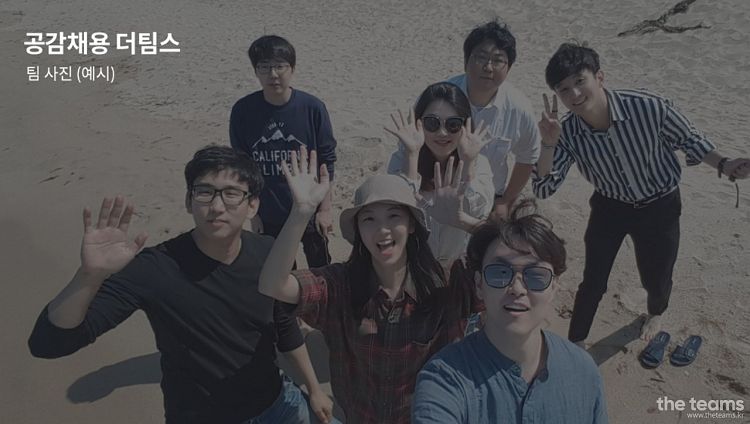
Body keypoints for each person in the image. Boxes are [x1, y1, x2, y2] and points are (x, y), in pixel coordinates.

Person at [28, 146, 334, 424]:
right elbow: (48, 343)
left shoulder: (269, 253)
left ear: (252, 205)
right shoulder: (154, 268)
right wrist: (89, 276)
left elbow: (284, 326)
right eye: (205, 192)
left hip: (276, 403)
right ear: (189, 201)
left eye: (231, 194)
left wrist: (314, 388)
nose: (217, 206)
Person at [533, 42, 750, 346]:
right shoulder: (565, 131)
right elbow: (543, 187)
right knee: (593, 281)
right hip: (610, 206)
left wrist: (725, 164)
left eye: (580, 81)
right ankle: (576, 343)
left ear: (599, 77)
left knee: (656, 275)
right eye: (564, 89)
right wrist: (548, 143)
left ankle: (656, 312)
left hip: (660, 205)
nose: (575, 94)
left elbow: (691, 140)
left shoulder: (647, 106)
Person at [258, 148, 481, 424]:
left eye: (394, 216)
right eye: (369, 219)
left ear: (412, 225)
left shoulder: (445, 285)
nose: (382, 229)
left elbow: (523, 257)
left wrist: (463, 222)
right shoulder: (339, 285)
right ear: (358, 231)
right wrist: (301, 213)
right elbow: (273, 285)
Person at [412, 200, 608, 424]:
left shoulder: (583, 370)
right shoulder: (444, 379)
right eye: (499, 272)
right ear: (479, 284)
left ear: (554, 288)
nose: (517, 288)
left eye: (536, 276)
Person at [230, 34, 336, 267]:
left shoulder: (312, 108)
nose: (273, 74)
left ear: (292, 68)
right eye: (264, 67)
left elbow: (326, 161)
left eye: (280, 66)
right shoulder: (243, 111)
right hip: (268, 212)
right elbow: (242, 168)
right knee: (281, 271)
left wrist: (325, 209)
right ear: (255, 71)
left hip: (309, 207)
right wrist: (253, 213)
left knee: (321, 269)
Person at [386, 82, 495, 267]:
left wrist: (468, 163)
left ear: (465, 126)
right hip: (414, 263)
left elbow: (479, 212)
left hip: (459, 263)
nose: (442, 132)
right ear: (419, 123)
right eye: (432, 123)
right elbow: (397, 211)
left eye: (453, 124)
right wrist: (412, 155)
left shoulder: (479, 162)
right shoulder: (401, 158)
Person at [446, 19, 541, 220]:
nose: (488, 67)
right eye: (481, 57)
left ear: (508, 68)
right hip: (442, 191)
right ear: (466, 61)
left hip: (490, 198)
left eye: (498, 60)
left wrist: (506, 200)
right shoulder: (441, 97)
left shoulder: (519, 108)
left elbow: (527, 157)